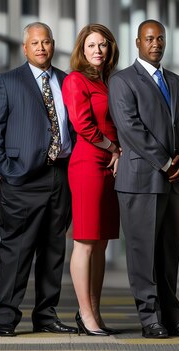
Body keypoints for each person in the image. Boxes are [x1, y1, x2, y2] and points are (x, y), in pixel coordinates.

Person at [0, 22, 77, 337]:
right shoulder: (7, 82)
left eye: (46, 42)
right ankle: (6, 319)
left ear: (52, 45)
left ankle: (46, 316)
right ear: (25, 48)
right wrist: (2, 172)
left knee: (53, 252)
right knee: (17, 251)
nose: (41, 48)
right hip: (21, 181)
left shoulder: (66, 81)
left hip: (60, 177)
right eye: (34, 43)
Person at [108, 19, 179, 339]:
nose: (156, 44)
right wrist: (165, 162)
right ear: (137, 43)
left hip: (176, 181)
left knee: (168, 253)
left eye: (160, 38)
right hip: (141, 180)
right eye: (149, 39)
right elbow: (130, 129)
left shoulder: (178, 82)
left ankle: (173, 316)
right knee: (142, 253)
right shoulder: (122, 81)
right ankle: (150, 319)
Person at [61, 23, 120, 337]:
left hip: (112, 164)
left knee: (101, 243)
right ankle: (84, 312)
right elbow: (83, 124)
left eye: (103, 45)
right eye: (92, 46)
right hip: (88, 162)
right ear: (82, 51)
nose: (98, 51)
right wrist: (113, 148)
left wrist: (118, 153)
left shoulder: (111, 81)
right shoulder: (75, 80)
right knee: (85, 241)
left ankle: (95, 310)